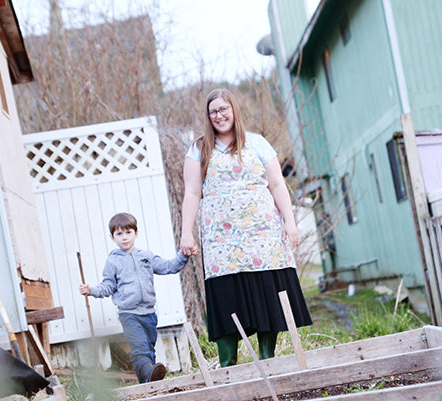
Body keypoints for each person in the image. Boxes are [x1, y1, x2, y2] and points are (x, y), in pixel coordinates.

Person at [180, 88, 312, 367]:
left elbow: (277, 184)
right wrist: (186, 232)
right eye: (213, 111)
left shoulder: (258, 143)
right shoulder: (199, 148)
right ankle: (228, 366)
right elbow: (192, 192)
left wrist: (290, 222)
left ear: (234, 111)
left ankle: (267, 360)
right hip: (222, 240)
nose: (219, 115)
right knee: (226, 298)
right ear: (208, 116)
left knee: (268, 296)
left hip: (263, 236)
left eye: (224, 109)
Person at [80, 212, 188, 383]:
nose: (124, 237)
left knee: (149, 349)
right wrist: (91, 290)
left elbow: (168, 267)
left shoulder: (146, 256)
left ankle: (149, 380)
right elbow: (108, 286)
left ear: (136, 233)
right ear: (112, 237)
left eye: (128, 232)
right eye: (119, 234)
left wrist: (183, 255)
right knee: (139, 348)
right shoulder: (113, 262)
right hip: (129, 314)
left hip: (149, 313)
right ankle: (148, 375)